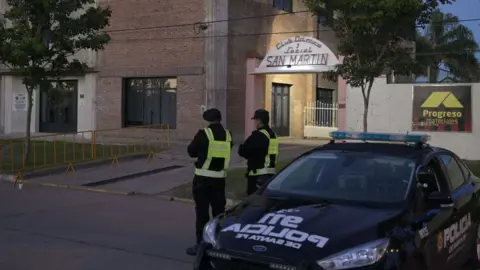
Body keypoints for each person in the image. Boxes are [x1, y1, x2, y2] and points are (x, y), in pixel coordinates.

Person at [186, 108, 233, 256]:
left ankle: (201, 245)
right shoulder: (227, 135)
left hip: (203, 180)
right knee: (219, 213)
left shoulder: (203, 134)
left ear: (208, 120)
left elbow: (191, 151)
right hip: (219, 180)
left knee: (202, 214)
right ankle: (218, 244)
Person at [238, 109, 279, 195]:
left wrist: (242, 149)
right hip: (270, 174)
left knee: (253, 201)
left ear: (259, 121)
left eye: (255, 120)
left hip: (257, 175)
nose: (255, 122)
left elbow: (244, 151)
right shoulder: (273, 135)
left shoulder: (258, 135)